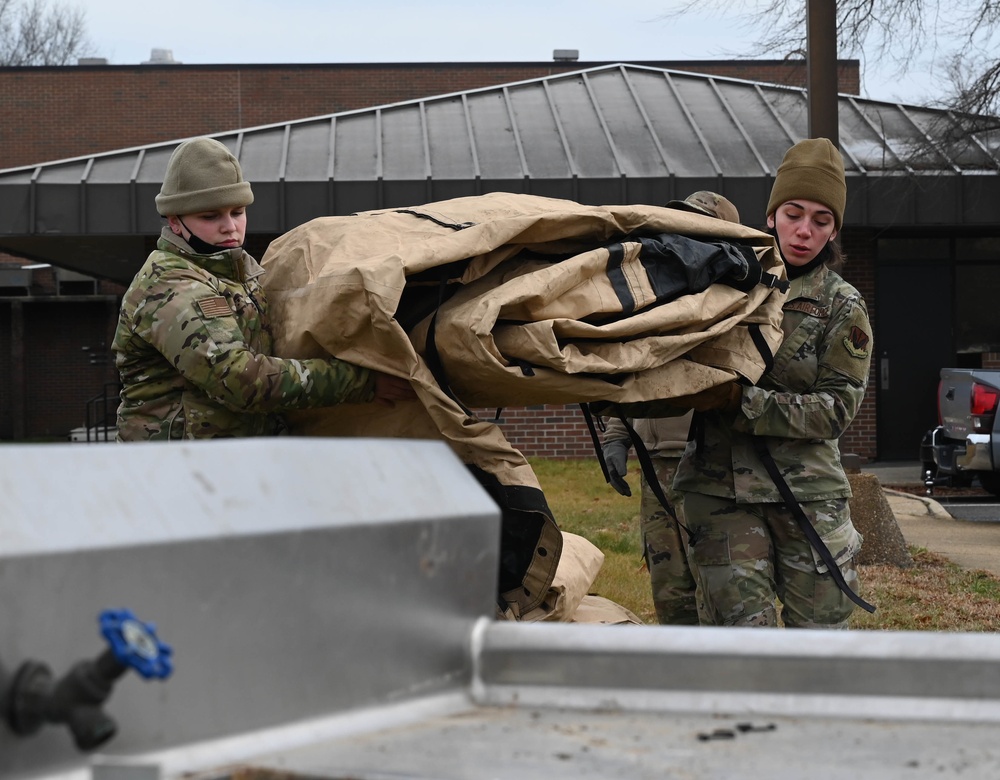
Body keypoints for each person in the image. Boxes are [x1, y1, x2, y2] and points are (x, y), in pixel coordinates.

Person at [672, 137, 873, 628]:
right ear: (770, 216)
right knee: (742, 649)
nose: (804, 231)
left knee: (820, 647)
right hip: (721, 495)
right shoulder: (724, 284)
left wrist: (743, 402)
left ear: (833, 232)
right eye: (793, 213)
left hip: (808, 497)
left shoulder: (842, 306)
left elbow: (835, 410)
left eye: (821, 221)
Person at [113, 136, 414, 441]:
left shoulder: (239, 274)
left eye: (237, 212)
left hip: (235, 459)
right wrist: (361, 382)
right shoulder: (172, 285)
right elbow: (239, 379)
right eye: (210, 216)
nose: (230, 226)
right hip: (175, 468)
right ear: (175, 222)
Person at [601, 191, 741, 625]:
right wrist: (617, 438)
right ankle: (683, 680)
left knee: (717, 590)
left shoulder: (732, 299)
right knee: (670, 589)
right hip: (655, 468)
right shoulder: (656, 292)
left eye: (697, 225)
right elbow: (631, 371)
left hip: (709, 467)